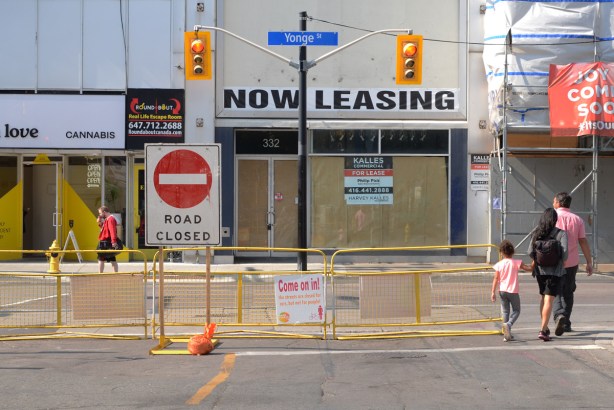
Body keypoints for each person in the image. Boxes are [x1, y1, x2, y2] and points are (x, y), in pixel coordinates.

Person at [552, 192, 593, 336]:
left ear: (558, 202)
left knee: (556, 290)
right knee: (568, 292)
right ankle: (566, 323)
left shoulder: (552, 216)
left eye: (554, 200)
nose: (553, 202)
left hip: (554, 261)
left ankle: (559, 315)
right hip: (572, 262)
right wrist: (589, 261)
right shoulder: (578, 220)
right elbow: (583, 241)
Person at [528, 208, 568, 342]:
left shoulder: (536, 233)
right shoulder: (561, 233)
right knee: (549, 300)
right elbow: (565, 254)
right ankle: (543, 330)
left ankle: (544, 328)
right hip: (555, 272)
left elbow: (529, 251)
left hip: (540, 272)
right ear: (556, 219)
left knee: (543, 298)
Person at [491, 240, 532, 342]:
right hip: (513, 290)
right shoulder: (517, 262)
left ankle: (506, 334)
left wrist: (492, 292)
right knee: (517, 310)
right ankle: (509, 325)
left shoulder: (499, 264)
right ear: (513, 252)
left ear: (501, 252)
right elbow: (529, 269)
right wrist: (534, 262)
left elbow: (496, 278)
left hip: (502, 291)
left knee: (505, 311)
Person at [97, 205, 119, 273]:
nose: (100, 215)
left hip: (106, 242)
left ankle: (100, 274)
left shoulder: (110, 219)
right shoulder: (108, 219)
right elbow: (106, 230)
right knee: (112, 258)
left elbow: (112, 231)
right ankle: (115, 273)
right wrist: (100, 223)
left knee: (101, 259)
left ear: (104, 212)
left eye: (100, 213)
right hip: (107, 242)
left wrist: (114, 241)